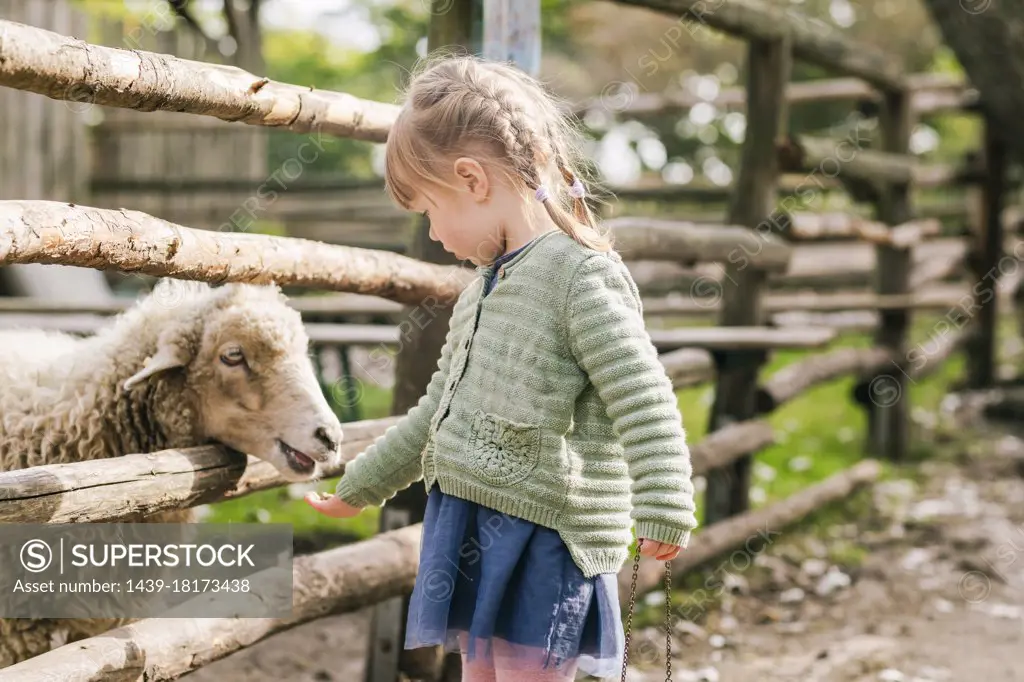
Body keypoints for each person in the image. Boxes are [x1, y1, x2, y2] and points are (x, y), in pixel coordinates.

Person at [306, 54, 698, 682]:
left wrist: (666, 502)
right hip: (474, 525)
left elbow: (643, 394)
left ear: (472, 179)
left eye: (430, 211)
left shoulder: (578, 275)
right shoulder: (480, 291)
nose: (433, 234)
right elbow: (436, 414)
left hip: (543, 540)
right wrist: (361, 486)